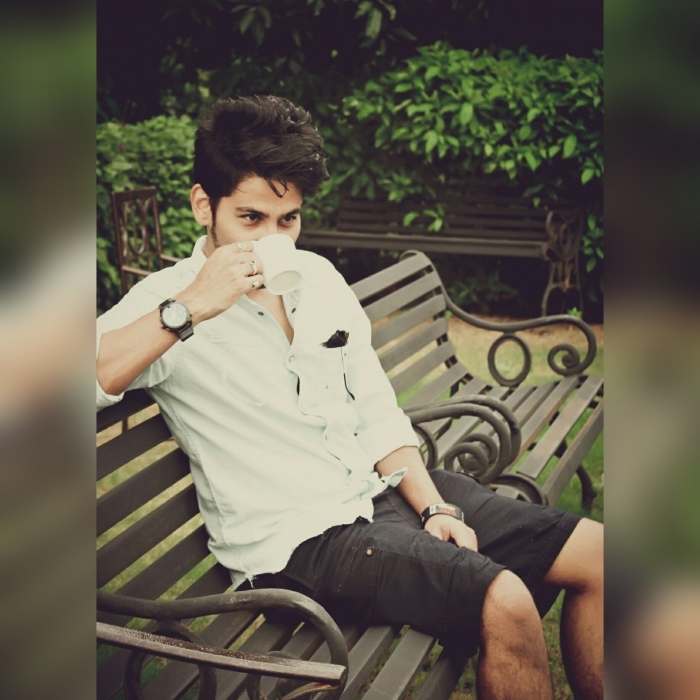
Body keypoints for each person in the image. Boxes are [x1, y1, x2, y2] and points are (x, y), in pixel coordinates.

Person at [96, 95, 603, 700]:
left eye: (288, 220)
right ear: (204, 205)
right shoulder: (166, 300)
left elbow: (376, 409)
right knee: (506, 600)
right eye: (251, 218)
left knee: (602, 557)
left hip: (375, 493)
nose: (272, 239)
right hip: (296, 544)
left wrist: (435, 508)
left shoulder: (319, 279)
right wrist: (189, 308)